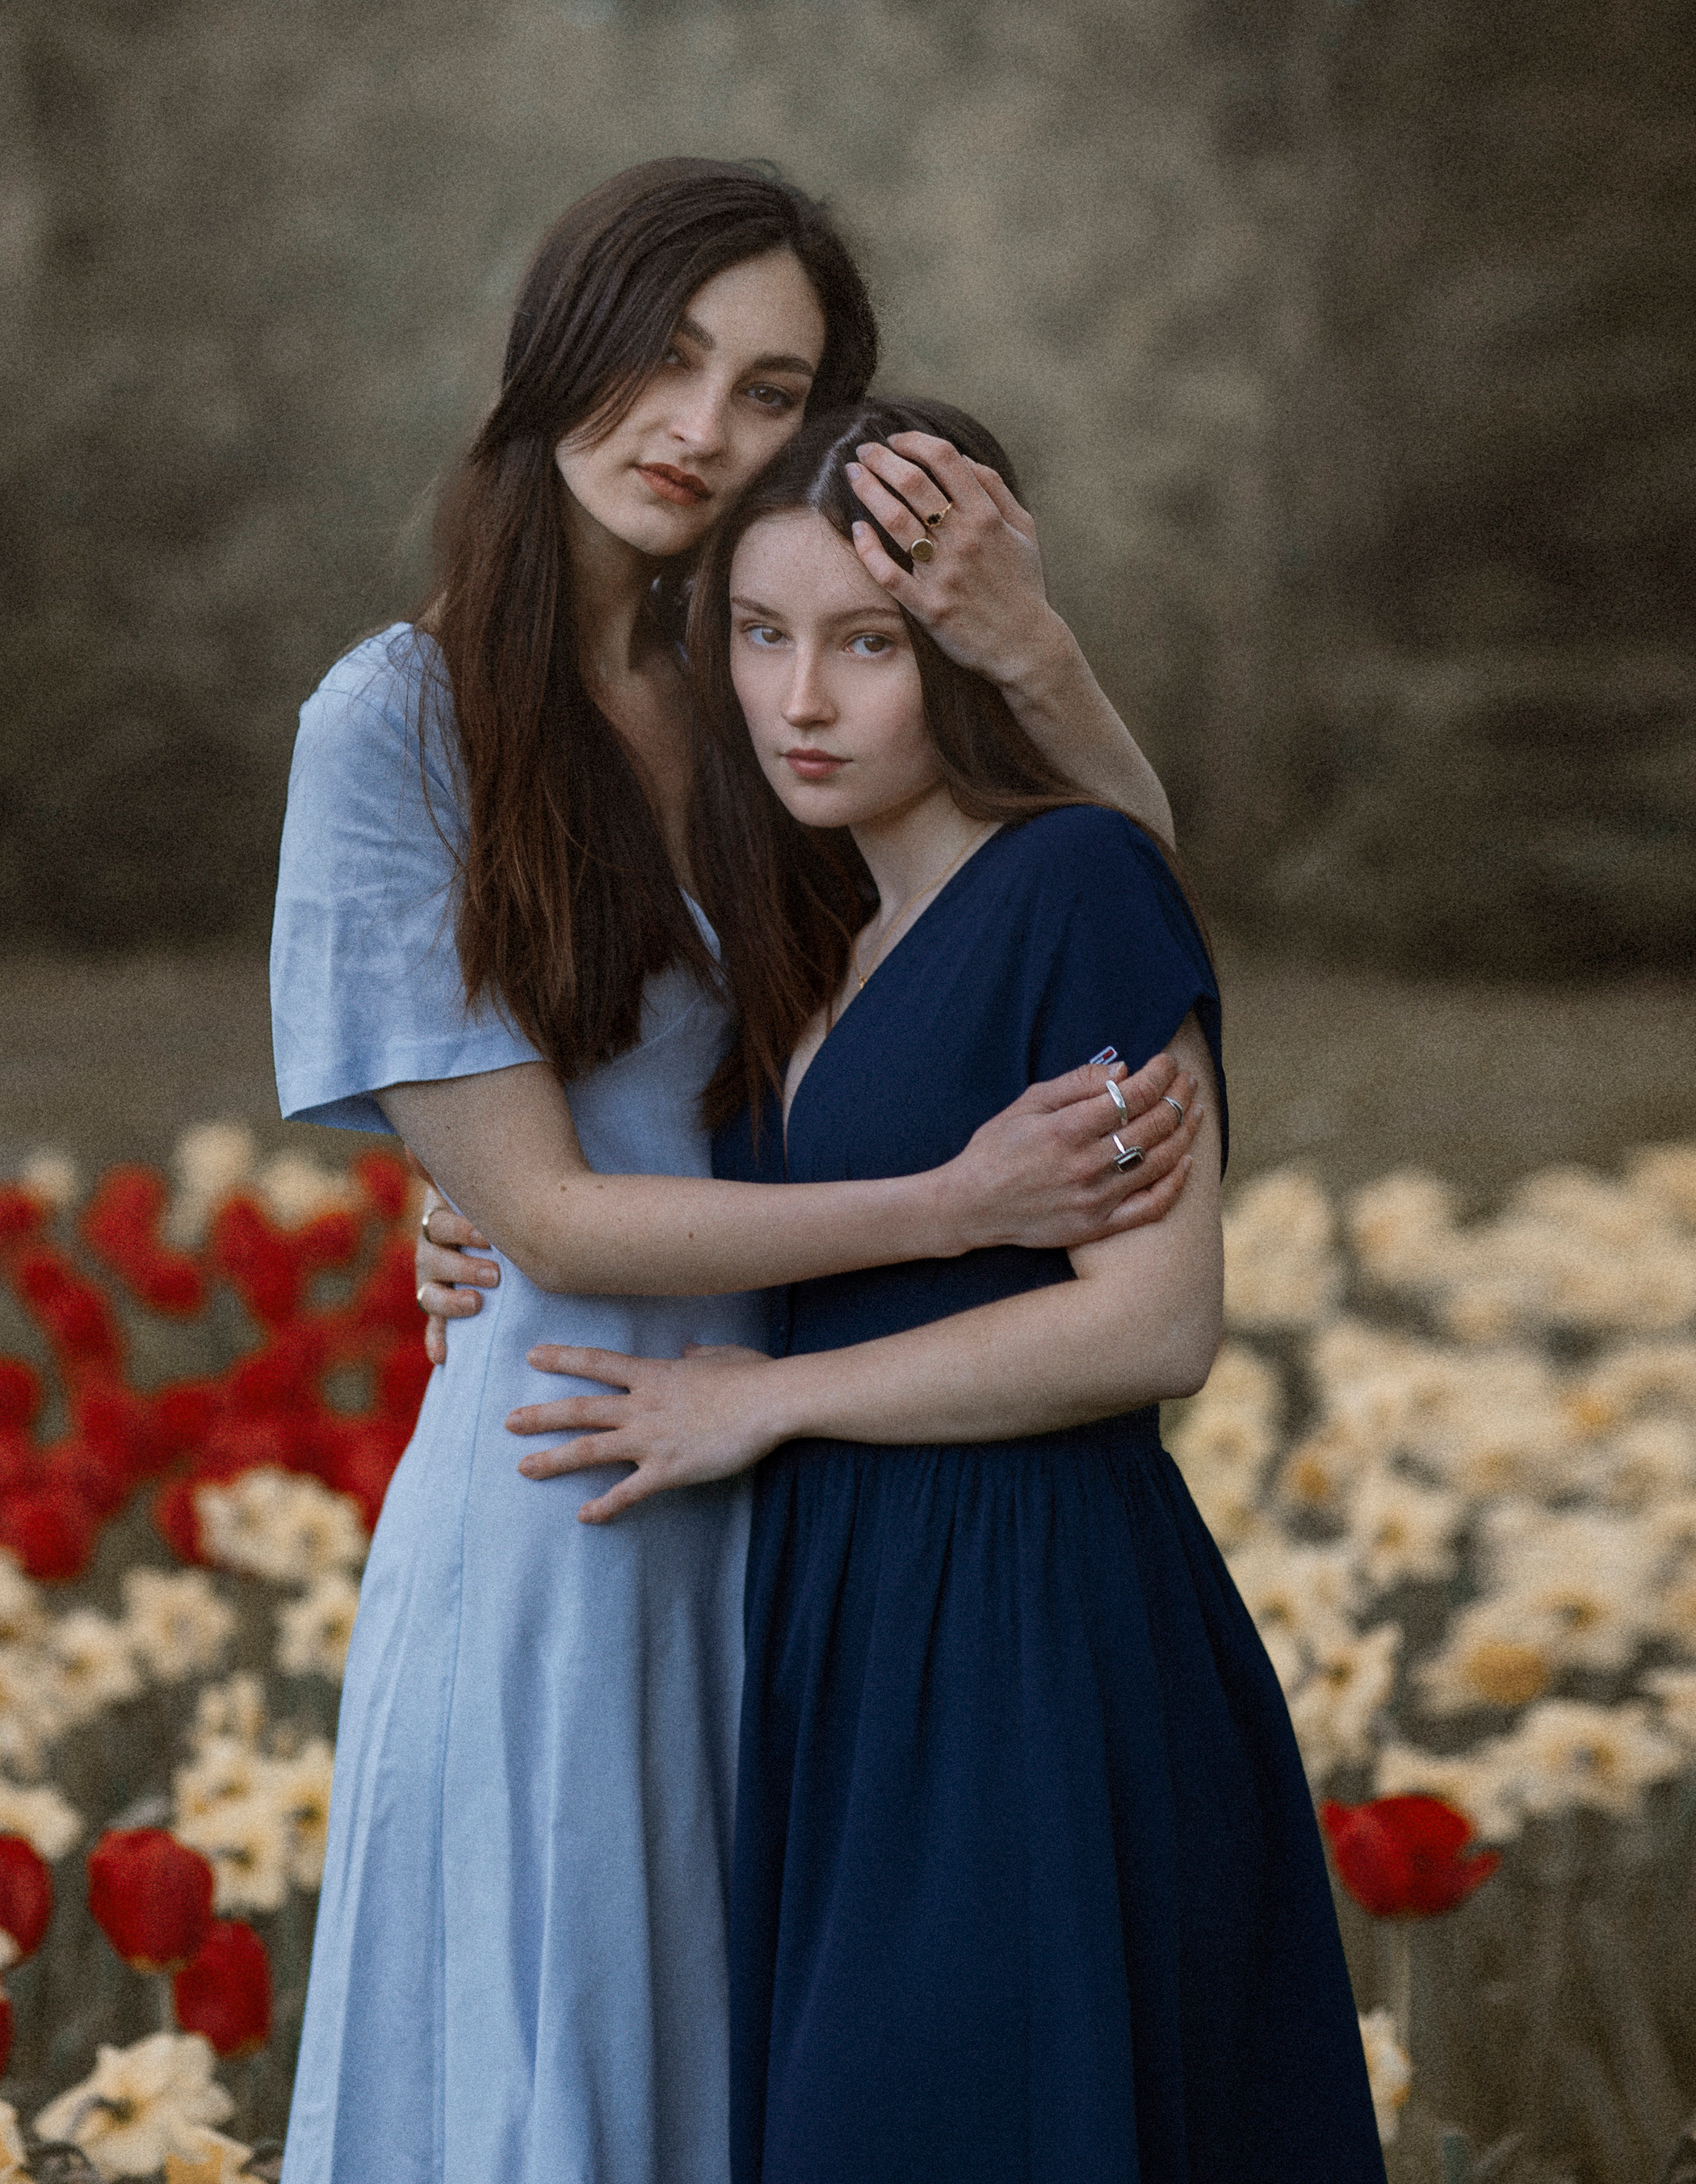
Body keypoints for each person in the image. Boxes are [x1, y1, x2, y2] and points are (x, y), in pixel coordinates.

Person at [273, 162, 1190, 2184]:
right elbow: (550, 1211)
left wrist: (1030, 649)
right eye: (667, 355)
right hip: (581, 1484)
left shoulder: (769, 687)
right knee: (580, 2074)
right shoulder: (398, 725)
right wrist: (953, 1206)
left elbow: (1105, 895)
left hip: (813, 1486)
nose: (700, 426)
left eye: (769, 390)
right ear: (557, 346)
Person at [499, 397, 1387, 2184]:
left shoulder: (1074, 880)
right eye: (762, 635)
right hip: (845, 1618)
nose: (800, 701)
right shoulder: (820, 929)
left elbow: (1155, 1321)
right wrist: (477, 1205)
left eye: (867, 644)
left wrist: (767, 1400)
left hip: (1025, 1616)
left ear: (957, 653)